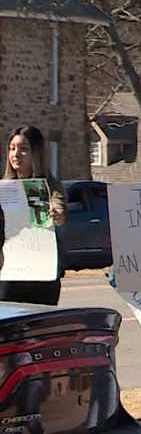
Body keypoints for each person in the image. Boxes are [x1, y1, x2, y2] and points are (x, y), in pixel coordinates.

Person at [2, 126, 67, 305]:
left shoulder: (50, 186)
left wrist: (57, 214)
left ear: (36, 153)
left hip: (42, 275)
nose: (16, 154)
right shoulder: (4, 189)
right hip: (10, 273)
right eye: (12, 148)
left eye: (23, 149)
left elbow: (58, 206)